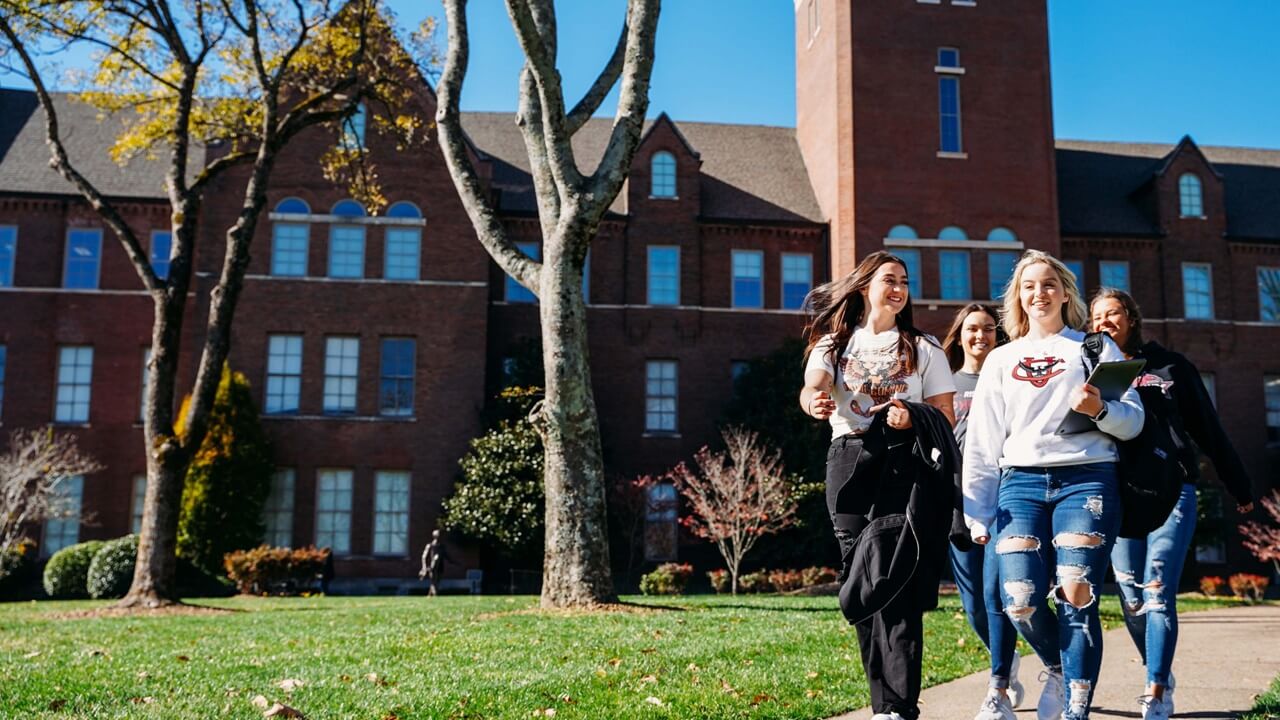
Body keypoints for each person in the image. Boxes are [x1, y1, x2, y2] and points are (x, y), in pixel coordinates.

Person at [963, 250, 1144, 720]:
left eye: (1048, 284)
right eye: (1028, 286)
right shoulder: (1002, 358)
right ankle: (1058, 670)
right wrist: (976, 512)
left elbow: (1134, 423)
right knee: (1019, 600)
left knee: (1076, 588)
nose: (1038, 293)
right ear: (1018, 297)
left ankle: (1075, 711)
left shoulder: (1094, 348)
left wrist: (1099, 410)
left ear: (1065, 292)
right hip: (1019, 484)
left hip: (1086, 480)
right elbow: (983, 442)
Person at [799, 250, 956, 720]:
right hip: (848, 461)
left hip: (902, 462)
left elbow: (945, 417)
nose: (899, 288)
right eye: (889, 279)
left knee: (896, 575)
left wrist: (914, 419)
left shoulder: (923, 347)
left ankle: (899, 705)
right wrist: (816, 401)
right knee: (859, 579)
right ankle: (881, 702)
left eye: (904, 281)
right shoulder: (834, 344)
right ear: (865, 285)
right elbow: (813, 385)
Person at [1089, 288, 1256, 720]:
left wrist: (1239, 487)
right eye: (1097, 317)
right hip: (1123, 493)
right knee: (1130, 595)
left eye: (1113, 314)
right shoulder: (1095, 373)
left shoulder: (1170, 367)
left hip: (1173, 487)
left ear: (1131, 317)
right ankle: (1156, 666)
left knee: (1158, 588)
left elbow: (1208, 427)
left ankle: (1156, 689)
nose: (1104, 322)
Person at [941, 303, 1026, 720]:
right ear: (959, 335)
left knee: (997, 595)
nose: (981, 336)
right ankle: (1005, 659)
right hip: (957, 501)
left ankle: (1000, 681)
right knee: (973, 601)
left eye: (989, 329)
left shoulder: (1009, 374)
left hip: (1002, 498)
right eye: (973, 329)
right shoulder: (945, 382)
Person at [419, 529, 448, 596]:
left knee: (437, 582)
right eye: (436, 536)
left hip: (440, 566)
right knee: (433, 582)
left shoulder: (441, 546)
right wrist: (424, 567)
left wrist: (454, 562)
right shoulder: (430, 546)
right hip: (431, 567)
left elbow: (446, 556)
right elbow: (424, 557)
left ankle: (429, 596)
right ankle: (435, 595)